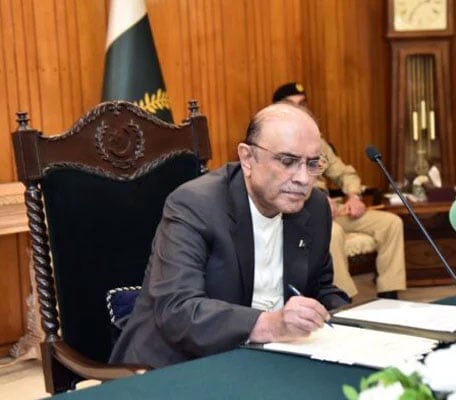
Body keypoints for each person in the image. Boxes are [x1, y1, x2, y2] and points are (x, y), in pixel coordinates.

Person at [110, 102, 349, 368]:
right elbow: (177, 309)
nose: (304, 179)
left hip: (271, 357)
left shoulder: (314, 208)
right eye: (288, 161)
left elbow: (321, 288)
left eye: (313, 164)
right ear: (247, 158)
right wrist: (270, 324)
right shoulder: (195, 204)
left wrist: (362, 324)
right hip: (177, 364)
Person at [272, 82, 407, 299]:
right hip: (297, 214)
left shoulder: (317, 141)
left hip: (332, 210)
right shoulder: (274, 142)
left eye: (303, 104)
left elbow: (344, 173)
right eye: (291, 105)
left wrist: (353, 196)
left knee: (391, 223)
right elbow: (278, 185)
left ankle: (389, 296)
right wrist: (314, 201)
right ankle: (343, 303)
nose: (299, 110)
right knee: (331, 233)